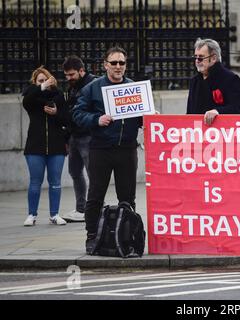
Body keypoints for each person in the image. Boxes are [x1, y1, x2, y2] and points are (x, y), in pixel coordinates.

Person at [72, 46, 142, 254]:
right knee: (95, 195)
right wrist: (96, 119)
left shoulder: (133, 87)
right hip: (101, 149)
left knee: (127, 197)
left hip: (127, 149)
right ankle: (92, 236)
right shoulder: (93, 88)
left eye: (122, 63)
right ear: (105, 65)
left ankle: (127, 236)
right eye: (114, 63)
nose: (118, 67)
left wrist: (149, 116)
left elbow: (140, 116)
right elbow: (76, 114)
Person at [22, 67, 69, 226]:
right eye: (40, 81)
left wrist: (56, 113)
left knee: (55, 182)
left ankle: (54, 214)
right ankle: (31, 214)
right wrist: (40, 88)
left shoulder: (58, 95)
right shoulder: (31, 97)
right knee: (35, 181)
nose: (44, 83)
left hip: (56, 146)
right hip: (35, 146)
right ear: (35, 83)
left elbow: (66, 119)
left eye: (45, 80)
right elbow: (26, 101)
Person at [60, 55, 97, 222]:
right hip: (74, 135)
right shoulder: (73, 86)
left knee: (93, 174)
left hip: (88, 136)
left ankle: (92, 208)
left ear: (82, 71)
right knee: (75, 172)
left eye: (71, 74)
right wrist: (68, 138)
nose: (68, 78)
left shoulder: (93, 85)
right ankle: (81, 208)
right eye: (66, 75)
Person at [186, 38, 240, 124]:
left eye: (201, 57)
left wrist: (217, 111)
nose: (197, 61)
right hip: (197, 132)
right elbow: (189, 113)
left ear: (213, 58)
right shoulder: (194, 81)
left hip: (223, 133)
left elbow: (237, 108)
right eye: (196, 57)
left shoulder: (230, 78)